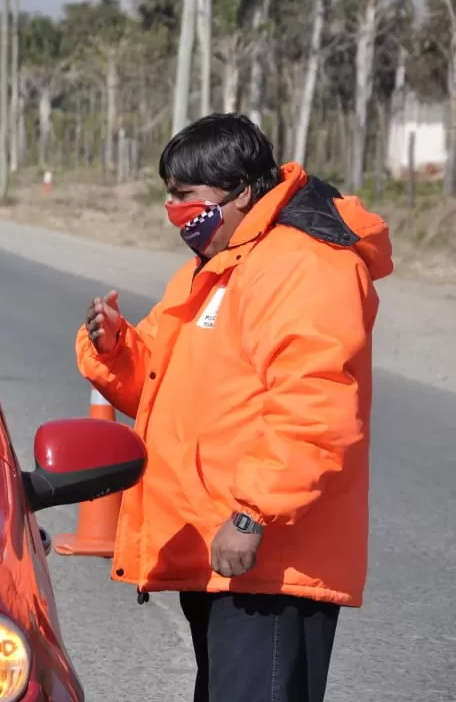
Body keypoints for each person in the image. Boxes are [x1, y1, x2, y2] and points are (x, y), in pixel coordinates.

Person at [76, 114, 393, 702]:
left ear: (242, 190)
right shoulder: (221, 265)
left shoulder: (304, 266)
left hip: (267, 557)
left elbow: (314, 409)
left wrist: (251, 515)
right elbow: (161, 384)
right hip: (219, 549)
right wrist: (116, 346)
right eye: (168, 195)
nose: (173, 210)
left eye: (185, 196)